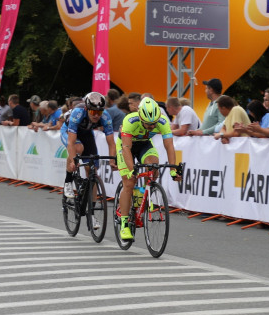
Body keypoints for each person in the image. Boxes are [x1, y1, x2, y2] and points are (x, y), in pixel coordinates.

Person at [116, 97, 180, 241]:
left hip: (144, 144)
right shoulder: (130, 121)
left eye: (154, 124)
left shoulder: (162, 121)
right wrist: (132, 170)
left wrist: (173, 170)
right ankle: (124, 225)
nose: (152, 127)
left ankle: (145, 193)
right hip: (126, 146)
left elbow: (169, 146)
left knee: (154, 166)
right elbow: (126, 149)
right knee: (129, 182)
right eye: (148, 124)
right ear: (140, 117)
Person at [61, 92, 117, 200]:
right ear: (86, 109)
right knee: (78, 148)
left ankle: (92, 210)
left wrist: (112, 161)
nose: (96, 115)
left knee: (92, 171)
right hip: (69, 131)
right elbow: (71, 142)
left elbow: (111, 143)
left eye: (99, 112)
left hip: (86, 133)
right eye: (93, 111)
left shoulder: (105, 116)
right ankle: (68, 182)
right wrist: (73, 161)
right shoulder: (78, 113)